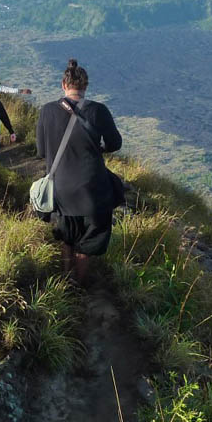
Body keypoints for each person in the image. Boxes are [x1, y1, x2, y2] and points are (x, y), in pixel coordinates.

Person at [35, 59, 122, 284]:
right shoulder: (99, 111)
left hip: (61, 189)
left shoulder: (47, 111)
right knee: (89, 240)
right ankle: (80, 284)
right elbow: (115, 144)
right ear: (86, 86)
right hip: (94, 190)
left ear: (64, 85)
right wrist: (99, 148)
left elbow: (41, 151)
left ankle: (65, 281)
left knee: (67, 237)